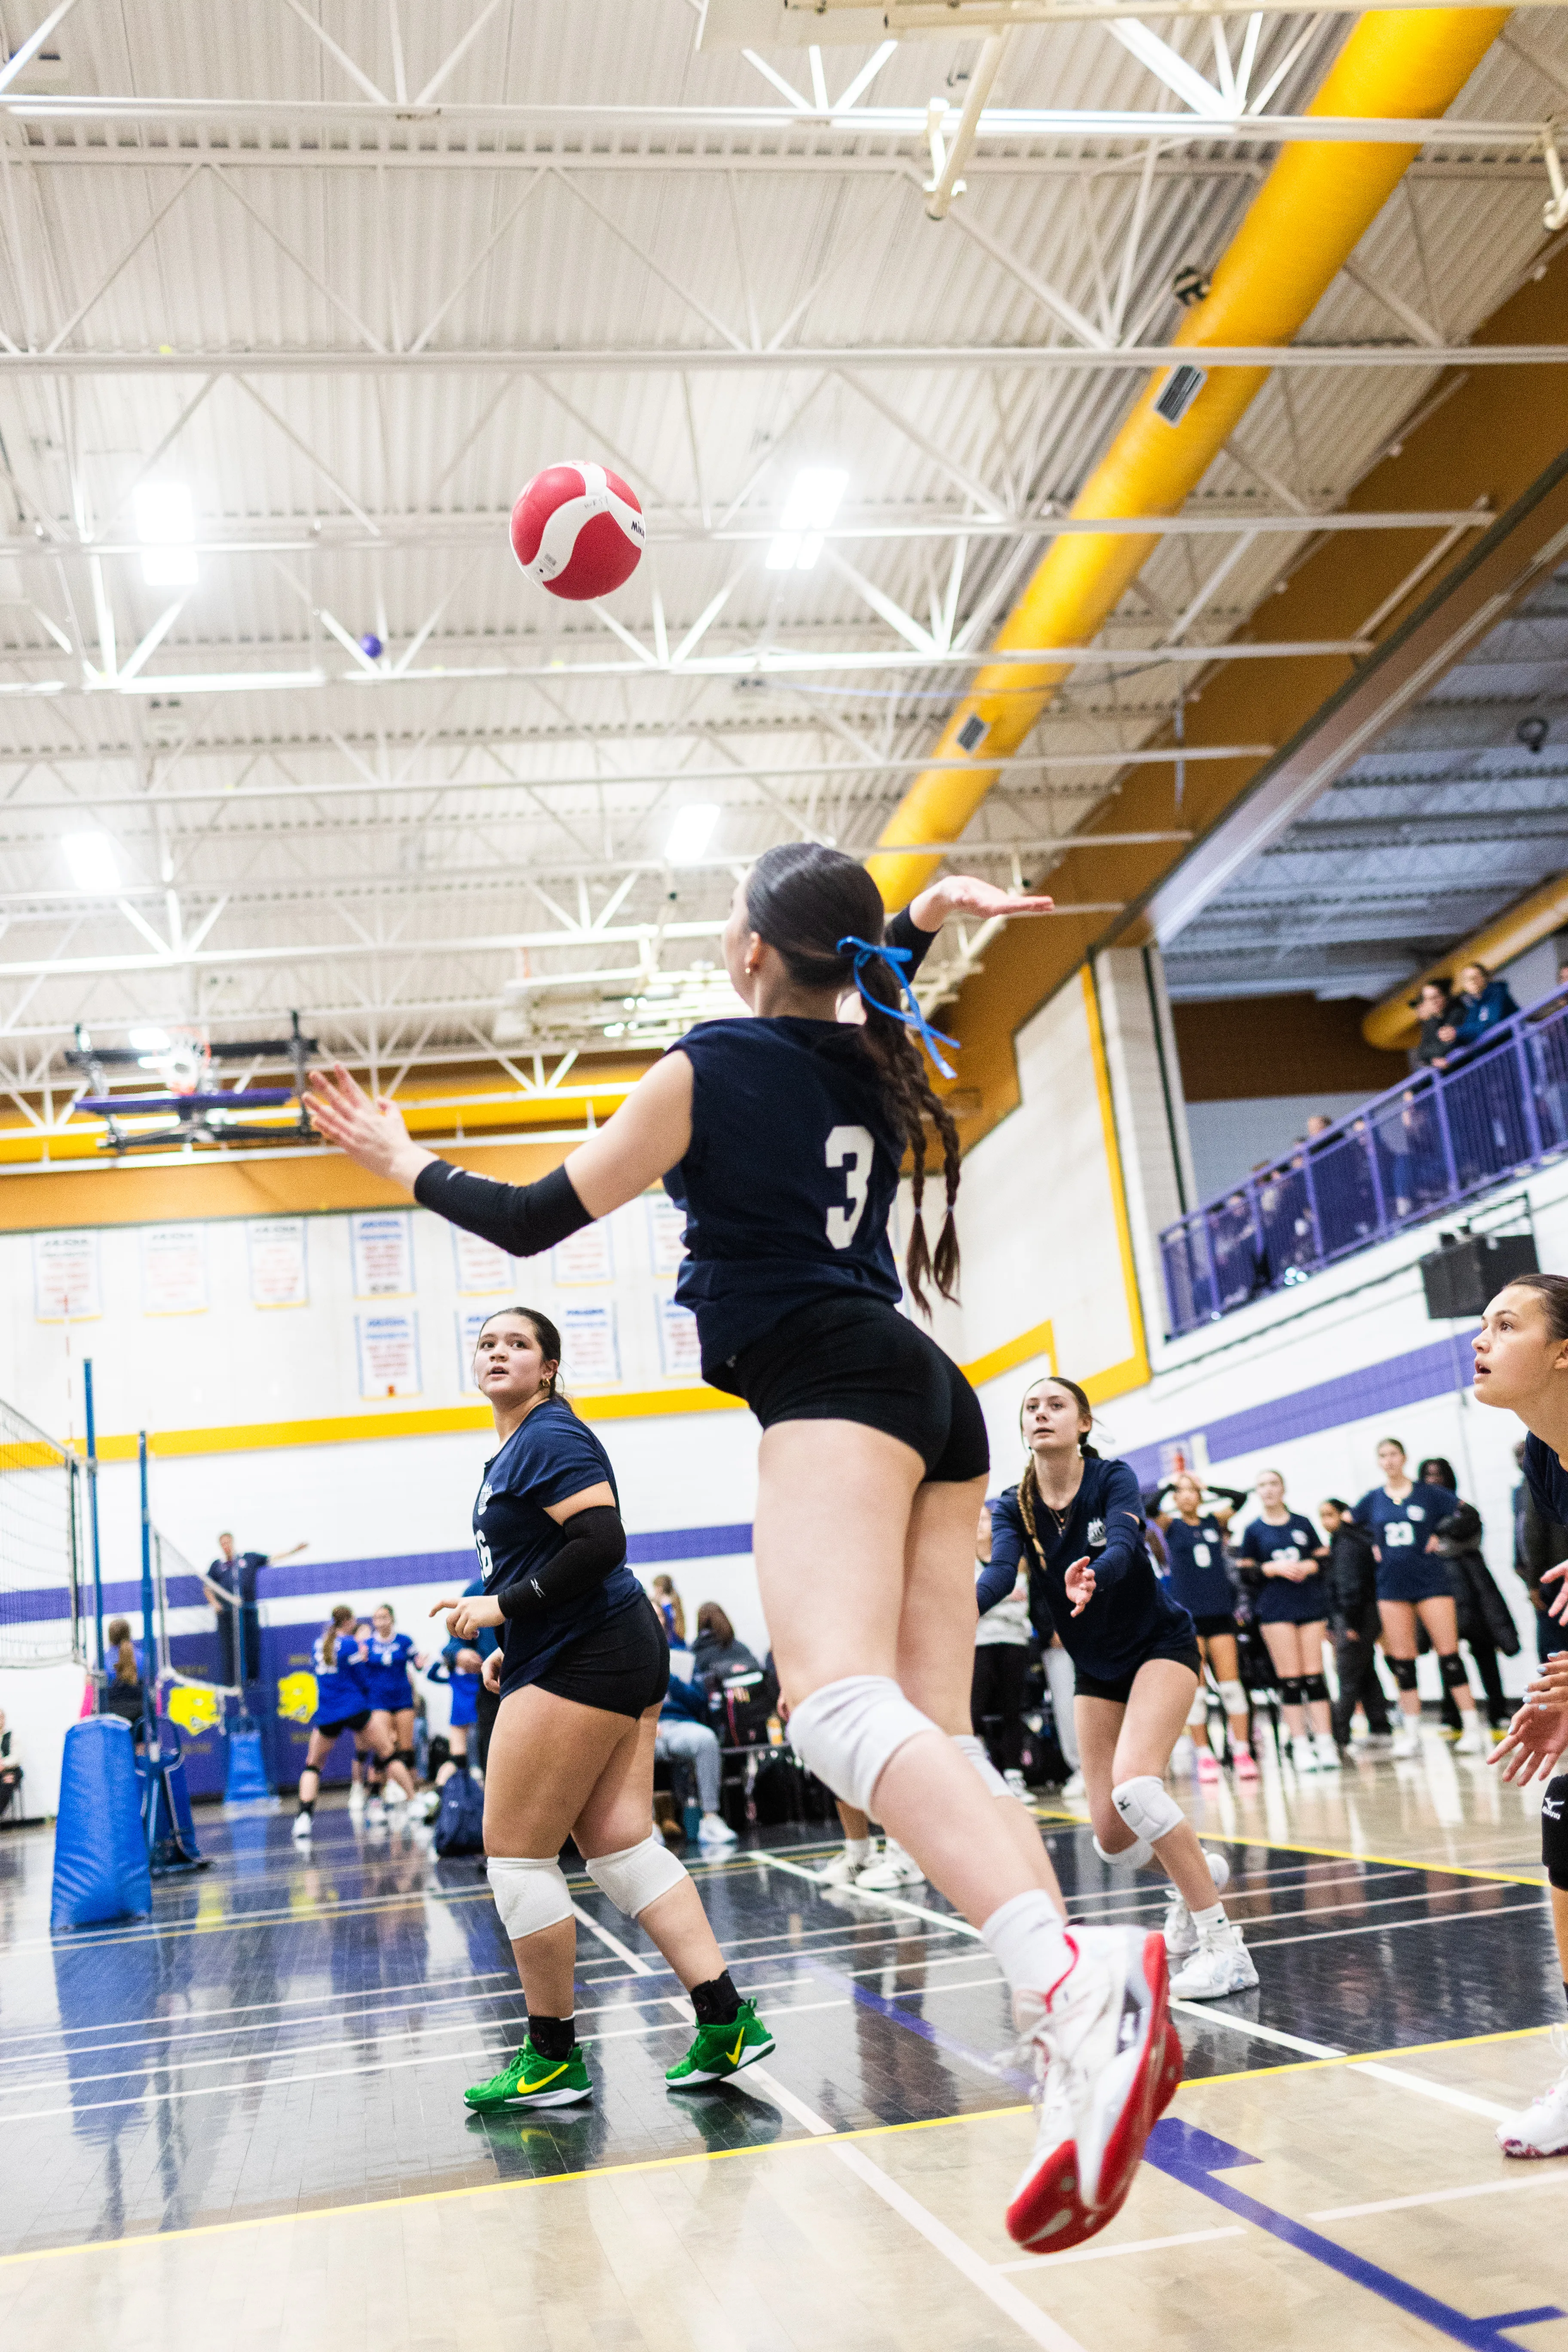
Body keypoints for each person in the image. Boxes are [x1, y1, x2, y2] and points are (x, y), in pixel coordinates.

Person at [306, 846, 1174, 2254]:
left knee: (831, 1709)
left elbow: (535, 1216)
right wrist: (920, 919)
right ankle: (1066, 2007)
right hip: (924, 1388)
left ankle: (1074, 1980)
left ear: (753, 950)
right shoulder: (863, 1050)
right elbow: (854, 977)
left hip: (828, 1379)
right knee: (930, 1744)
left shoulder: (706, 1063)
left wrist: (403, 1160)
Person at [420, 1305, 773, 2108]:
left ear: (547, 1367)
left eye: (518, 1343)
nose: (499, 1351)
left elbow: (602, 1542)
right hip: (601, 1643)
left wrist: (503, 1607)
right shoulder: (517, 1444)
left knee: (514, 1854)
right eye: (486, 1342)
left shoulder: (551, 1435)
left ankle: (550, 2057)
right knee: (619, 1848)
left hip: (593, 1649)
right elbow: (561, 1555)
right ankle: (726, 2020)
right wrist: (524, 1628)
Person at [985, 1375, 1256, 2004]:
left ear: (1082, 1422)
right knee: (1111, 1839)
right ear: (1023, 1427)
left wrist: (1092, 1577)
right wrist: (951, 1615)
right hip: (1096, 1668)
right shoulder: (1014, 1505)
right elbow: (1001, 1573)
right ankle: (1198, 1877)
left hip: (1160, 1647)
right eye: (1032, 1407)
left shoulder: (1112, 1478)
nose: (1042, 1414)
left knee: (1138, 1787)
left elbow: (1127, 1544)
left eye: (1056, 1405)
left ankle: (1224, 1947)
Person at [1470, 1272, 1568, 2156]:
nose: (1482, 1338)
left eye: (1507, 1324)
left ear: (1565, 1350)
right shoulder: (1544, 1457)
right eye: (1482, 1324)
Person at [1352, 1438, 1486, 1757]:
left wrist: (1441, 1534)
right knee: (1403, 1662)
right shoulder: (1372, 1500)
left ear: (1404, 1457)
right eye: (1382, 1455)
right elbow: (1348, 1527)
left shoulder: (1429, 1494)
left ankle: (1472, 1728)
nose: (1388, 1461)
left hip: (1431, 1583)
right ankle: (1410, 1733)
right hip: (1391, 1587)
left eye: (1393, 1455)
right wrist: (1371, 1543)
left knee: (1449, 1655)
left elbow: (1469, 1514)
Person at [1153, 1474, 1257, 1782]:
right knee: (1195, 1692)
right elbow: (1147, 1508)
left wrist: (1206, 1485)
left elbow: (1240, 1497)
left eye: (1191, 1492)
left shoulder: (1215, 1521)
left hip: (1220, 1614)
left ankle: (1242, 1751)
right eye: (1180, 1494)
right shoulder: (1171, 1526)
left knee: (1231, 1687)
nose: (1186, 1497)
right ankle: (1205, 1756)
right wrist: (1169, 1484)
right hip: (1189, 1617)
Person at [1235, 1472, 1336, 1773]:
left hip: (1309, 1604)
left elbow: (1324, 1560)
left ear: (1283, 1488)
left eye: (1273, 1484)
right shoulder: (1253, 1530)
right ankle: (1301, 1744)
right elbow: (1245, 1572)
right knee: (1290, 1679)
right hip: (1275, 1608)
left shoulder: (1303, 1523)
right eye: (1262, 1485)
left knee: (1315, 1676)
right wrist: (1272, 1569)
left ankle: (1325, 1742)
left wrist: (1310, 1565)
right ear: (1258, 1492)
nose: (1268, 1490)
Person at [292, 1605, 414, 1841]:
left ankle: (303, 1819)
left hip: (328, 1713)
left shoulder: (319, 1644)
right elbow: (363, 1677)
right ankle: (413, 1801)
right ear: (347, 1621)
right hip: (354, 1708)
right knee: (388, 1753)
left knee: (313, 1766)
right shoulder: (349, 1645)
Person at [1417, 1456, 1518, 1736]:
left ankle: (1498, 1710)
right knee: (1447, 1653)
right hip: (1440, 1589)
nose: (1433, 1480)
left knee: (1484, 1650)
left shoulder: (1464, 1510)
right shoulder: (1420, 1513)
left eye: (1439, 1474)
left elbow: (1466, 1537)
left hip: (1475, 1590)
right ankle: (1453, 1715)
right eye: (1428, 1475)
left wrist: (1440, 1540)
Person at [1320, 1500, 1395, 1749]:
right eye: (1322, 1516)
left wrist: (1349, 1623)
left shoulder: (1347, 1544)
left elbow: (1349, 1586)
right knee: (1366, 1672)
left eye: (1330, 1515)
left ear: (1344, 1515)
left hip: (1354, 1617)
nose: (1325, 1522)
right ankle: (1380, 1724)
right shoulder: (1352, 1541)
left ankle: (1339, 1735)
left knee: (1348, 1676)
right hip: (1364, 1615)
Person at [972, 1501, 1033, 1800]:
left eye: (986, 1519)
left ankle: (1014, 1774)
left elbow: (1021, 1607)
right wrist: (1004, 1598)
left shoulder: (1013, 1562)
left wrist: (989, 1603)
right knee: (974, 1711)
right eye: (976, 1520)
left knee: (1013, 1710)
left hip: (1013, 1642)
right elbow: (967, 1608)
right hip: (977, 1644)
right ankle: (977, 1775)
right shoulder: (961, 1563)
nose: (981, 1525)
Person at [206, 1530, 306, 1690]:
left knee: (252, 1644)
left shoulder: (248, 1559)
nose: (226, 1546)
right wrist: (215, 1604)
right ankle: (232, 1683)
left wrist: (293, 1551)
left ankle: (252, 1679)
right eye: (223, 1544)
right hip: (227, 1615)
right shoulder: (217, 1566)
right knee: (230, 1648)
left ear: (233, 1542)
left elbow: (271, 1559)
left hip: (248, 1610)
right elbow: (208, 1587)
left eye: (228, 1542)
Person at [655, 1664, 737, 1847]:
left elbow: (699, 1701)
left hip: (680, 1724)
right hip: (644, 1724)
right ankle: (646, 1826)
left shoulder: (679, 1660)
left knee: (706, 1740)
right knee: (633, 1749)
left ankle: (711, 1818)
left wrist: (670, 1679)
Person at [362, 1603, 426, 1804]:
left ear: (392, 1619)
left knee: (406, 1748)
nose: (381, 1622)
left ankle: (413, 1794)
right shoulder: (368, 1644)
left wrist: (421, 1663)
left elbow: (417, 1661)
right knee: (385, 1747)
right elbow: (361, 1671)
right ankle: (376, 1793)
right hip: (378, 1701)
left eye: (384, 1617)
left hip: (402, 1699)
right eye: (377, 1618)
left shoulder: (404, 1641)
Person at [1439, 960, 1519, 1061]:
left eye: (1475, 977)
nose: (1472, 982)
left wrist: (1458, 1032)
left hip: (1517, 1050)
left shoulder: (1497, 993)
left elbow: (1491, 1025)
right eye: (1467, 980)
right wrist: (1453, 1038)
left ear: (1485, 978)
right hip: (1500, 1058)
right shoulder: (1472, 1006)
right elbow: (1468, 1035)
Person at [100, 1617, 149, 1732]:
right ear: (129, 1635)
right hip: (140, 1719)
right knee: (140, 1749)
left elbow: (92, 1695)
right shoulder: (142, 1658)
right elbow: (153, 1690)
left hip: (112, 1720)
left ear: (110, 1637)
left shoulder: (100, 1661)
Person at [1412, 978, 1455, 1070]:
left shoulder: (1456, 1011)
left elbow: (1448, 1046)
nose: (1433, 1002)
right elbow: (1422, 1053)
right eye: (1428, 1000)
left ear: (1444, 996)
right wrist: (1433, 1060)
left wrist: (1432, 1057)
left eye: (1436, 997)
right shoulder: (1432, 1022)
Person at [651, 1574, 686, 1644]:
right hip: (679, 1642)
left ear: (660, 1589)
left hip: (670, 1642)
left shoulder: (663, 1606)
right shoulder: (675, 1602)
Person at [0, 1707, 20, 1822]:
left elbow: (17, 1757)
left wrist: (3, 1764)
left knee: (7, 1783)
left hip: (11, 1770)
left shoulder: (13, 1736)